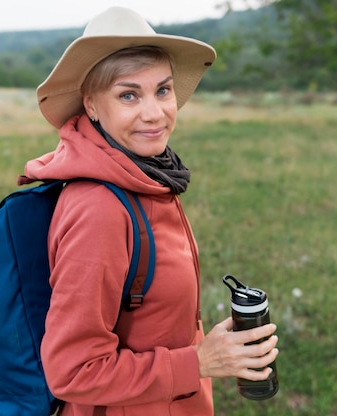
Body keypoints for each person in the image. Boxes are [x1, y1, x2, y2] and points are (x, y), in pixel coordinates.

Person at [19, 6, 279, 415]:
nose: (155, 113)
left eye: (162, 90)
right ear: (91, 105)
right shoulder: (100, 208)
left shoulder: (147, 177)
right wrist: (199, 362)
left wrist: (205, 346)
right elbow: (73, 371)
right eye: (128, 95)